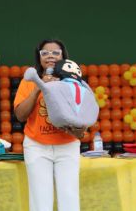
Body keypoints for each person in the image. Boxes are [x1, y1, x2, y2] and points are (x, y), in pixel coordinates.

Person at [14, 39, 86, 211]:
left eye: (56, 52)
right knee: (40, 200)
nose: (50, 56)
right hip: (37, 146)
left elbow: (82, 121)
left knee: (69, 197)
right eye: (45, 53)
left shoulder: (74, 82)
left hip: (67, 146)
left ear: (63, 56)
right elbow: (20, 115)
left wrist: (78, 131)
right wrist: (39, 87)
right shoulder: (29, 81)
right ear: (39, 58)